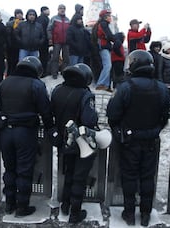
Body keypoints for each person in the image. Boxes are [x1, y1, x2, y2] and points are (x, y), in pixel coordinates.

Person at [107, 50, 170, 226]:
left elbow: (112, 114)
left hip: (130, 141)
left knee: (129, 177)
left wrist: (120, 130)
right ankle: (145, 214)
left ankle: (129, 213)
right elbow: (165, 116)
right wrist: (154, 130)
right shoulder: (161, 88)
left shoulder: (125, 87)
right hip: (151, 140)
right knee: (147, 178)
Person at [0, 56, 54, 217]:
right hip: (25, 132)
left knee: (9, 169)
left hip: (6, 132)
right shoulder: (36, 84)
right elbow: (45, 110)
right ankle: (22, 206)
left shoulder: (4, 82)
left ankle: (9, 203)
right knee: (24, 170)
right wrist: (51, 128)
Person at [50, 63, 98, 223]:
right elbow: (89, 120)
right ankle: (75, 213)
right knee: (80, 177)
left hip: (65, 140)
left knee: (69, 173)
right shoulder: (85, 94)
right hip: (81, 141)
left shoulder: (57, 90)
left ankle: (65, 205)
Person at [47, 4, 70, 79]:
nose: (62, 10)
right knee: (55, 58)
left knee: (66, 58)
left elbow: (70, 31)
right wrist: (50, 39)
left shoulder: (68, 20)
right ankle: (54, 73)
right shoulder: (54, 18)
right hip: (56, 41)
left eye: (64, 8)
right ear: (58, 9)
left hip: (66, 42)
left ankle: (65, 72)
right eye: (61, 8)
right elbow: (49, 29)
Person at [94, 9, 115, 91]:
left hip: (105, 46)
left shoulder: (103, 24)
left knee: (108, 65)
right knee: (107, 65)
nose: (110, 17)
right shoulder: (103, 24)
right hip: (103, 46)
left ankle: (106, 84)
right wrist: (115, 39)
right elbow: (109, 35)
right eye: (108, 15)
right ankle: (101, 83)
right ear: (104, 17)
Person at [5, 9, 24, 75]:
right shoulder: (10, 23)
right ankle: (10, 75)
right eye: (18, 13)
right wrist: (9, 44)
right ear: (15, 15)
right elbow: (8, 35)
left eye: (21, 13)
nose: (20, 15)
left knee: (19, 62)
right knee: (11, 62)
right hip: (12, 46)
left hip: (21, 46)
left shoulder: (24, 22)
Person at [36, 6, 50, 76]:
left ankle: (43, 71)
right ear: (43, 11)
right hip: (43, 41)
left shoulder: (45, 18)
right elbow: (42, 30)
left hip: (43, 40)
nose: (49, 11)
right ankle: (42, 72)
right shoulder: (42, 19)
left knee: (44, 57)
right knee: (43, 57)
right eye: (48, 10)